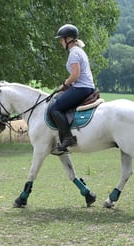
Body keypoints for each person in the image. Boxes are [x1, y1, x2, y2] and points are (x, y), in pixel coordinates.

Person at [50, 24, 95, 152]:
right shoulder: (79, 51)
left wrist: (65, 84)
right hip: (85, 87)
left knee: (55, 108)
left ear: (68, 39)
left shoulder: (74, 53)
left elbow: (75, 74)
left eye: (61, 39)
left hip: (81, 88)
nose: (60, 42)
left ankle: (68, 138)